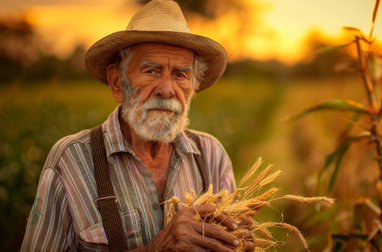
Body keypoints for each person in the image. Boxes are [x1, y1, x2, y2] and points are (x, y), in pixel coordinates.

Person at [21, 1, 255, 251]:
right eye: (152, 71)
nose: (167, 90)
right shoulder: (70, 161)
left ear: (192, 88)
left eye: (180, 75)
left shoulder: (211, 156)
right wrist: (156, 248)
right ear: (117, 83)